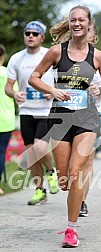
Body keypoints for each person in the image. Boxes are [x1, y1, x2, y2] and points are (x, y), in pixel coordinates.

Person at [29, 6, 101, 248]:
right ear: (70, 24)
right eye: (73, 20)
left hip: (87, 119)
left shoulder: (99, 56)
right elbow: (34, 77)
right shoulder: (57, 51)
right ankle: (72, 196)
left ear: (89, 24)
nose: (77, 23)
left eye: (81, 20)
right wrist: (52, 90)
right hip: (59, 118)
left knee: (76, 173)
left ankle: (71, 229)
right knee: (65, 179)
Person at [5, 20, 59, 205]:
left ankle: (51, 172)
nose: (30, 36)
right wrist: (14, 93)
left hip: (46, 110)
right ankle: (39, 190)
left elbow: (62, 80)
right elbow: (8, 86)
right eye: (27, 33)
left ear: (42, 37)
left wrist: (51, 91)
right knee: (31, 154)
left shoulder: (50, 55)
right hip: (26, 110)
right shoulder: (16, 58)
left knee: (40, 148)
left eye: (35, 34)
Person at [0, 44, 17, 195]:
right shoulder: (7, 74)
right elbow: (16, 94)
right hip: (5, 119)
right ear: (3, 57)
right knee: (1, 152)